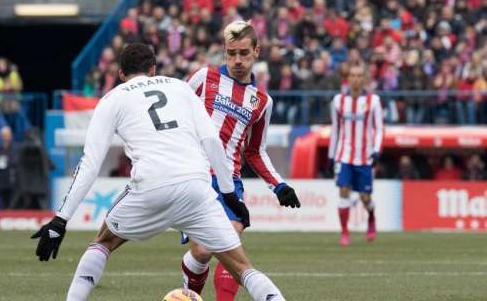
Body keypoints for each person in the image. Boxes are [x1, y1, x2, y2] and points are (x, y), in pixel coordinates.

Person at [31, 43, 288, 301]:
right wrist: (230, 194)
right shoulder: (178, 87)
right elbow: (211, 140)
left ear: (120, 73)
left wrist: (60, 220)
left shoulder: (112, 99)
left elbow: (90, 163)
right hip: (197, 186)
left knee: (103, 242)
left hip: (150, 186)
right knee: (243, 268)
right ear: (153, 69)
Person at [183, 20, 300, 300]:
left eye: (244, 53)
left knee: (229, 244)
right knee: (201, 252)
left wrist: (279, 185)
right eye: (231, 53)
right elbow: (177, 117)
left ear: (256, 51)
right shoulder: (203, 78)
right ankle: (189, 295)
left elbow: (255, 151)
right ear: (224, 52)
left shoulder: (262, 101)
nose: (237, 60)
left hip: (229, 183)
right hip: (195, 177)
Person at [328, 63, 383, 246]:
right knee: (343, 191)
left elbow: (379, 128)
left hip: (365, 156)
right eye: (353, 75)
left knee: (364, 197)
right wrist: (331, 155)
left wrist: (376, 150)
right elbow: (335, 129)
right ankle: (344, 232)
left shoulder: (373, 101)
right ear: (348, 78)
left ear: (364, 79)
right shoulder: (338, 101)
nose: (356, 79)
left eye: (360, 76)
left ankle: (371, 217)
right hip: (344, 155)